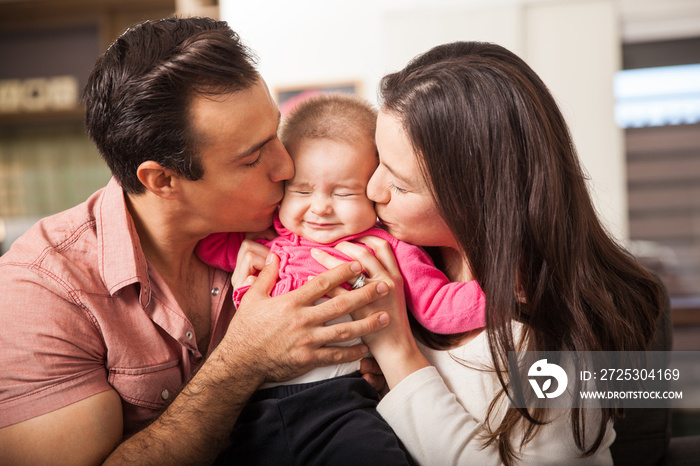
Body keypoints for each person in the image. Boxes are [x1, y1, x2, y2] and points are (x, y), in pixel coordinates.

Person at [0, 17, 392, 465]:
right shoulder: (43, 291)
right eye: (252, 157)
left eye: (275, 135)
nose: (287, 167)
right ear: (163, 179)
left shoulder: (301, 222)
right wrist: (243, 363)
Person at [313, 41, 665, 465]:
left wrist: (395, 349)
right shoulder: (416, 258)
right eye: (378, 162)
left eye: (401, 185)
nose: (372, 191)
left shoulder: (550, 333)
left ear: (477, 201)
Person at [197, 94, 485, 464]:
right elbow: (206, 238)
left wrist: (507, 292)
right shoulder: (269, 237)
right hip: (251, 408)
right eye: (301, 191)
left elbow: (437, 305)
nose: (319, 208)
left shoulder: (387, 249)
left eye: (344, 193)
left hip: (337, 405)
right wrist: (242, 255)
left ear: (375, 196)